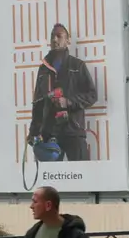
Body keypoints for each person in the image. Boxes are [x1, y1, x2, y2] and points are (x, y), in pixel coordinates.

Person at [28, 23, 98, 161]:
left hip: (73, 131)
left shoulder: (77, 66)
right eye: (52, 36)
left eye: (59, 36)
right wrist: (33, 132)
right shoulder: (43, 69)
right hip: (49, 134)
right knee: (49, 173)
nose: (55, 39)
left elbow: (92, 95)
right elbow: (38, 103)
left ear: (68, 40)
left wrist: (68, 102)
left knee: (82, 172)